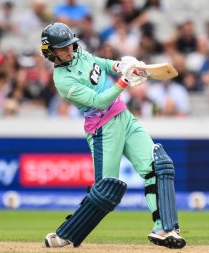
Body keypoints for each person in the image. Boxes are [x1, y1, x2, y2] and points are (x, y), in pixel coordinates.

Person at [41, 22, 186, 249]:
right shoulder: (62, 81)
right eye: (62, 48)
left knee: (160, 166)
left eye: (70, 44)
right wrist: (125, 80)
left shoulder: (79, 53)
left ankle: (164, 228)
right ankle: (65, 234)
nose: (69, 50)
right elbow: (99, 101)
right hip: (102, 129)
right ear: (50, 52)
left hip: (124, 117)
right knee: (106, 191)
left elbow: (102, 64)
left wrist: (121, 66)